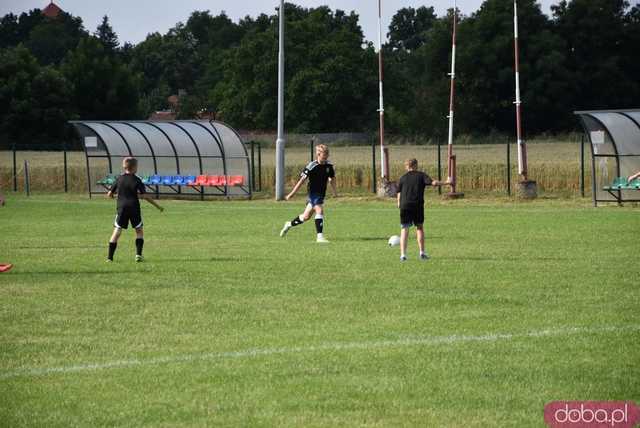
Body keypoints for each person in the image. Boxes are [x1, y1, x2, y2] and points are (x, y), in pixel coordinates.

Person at [107, 157, 163, 262]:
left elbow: (109, 194)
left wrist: (117, 198)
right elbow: (145, 196)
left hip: (122, 208)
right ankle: (138, 255)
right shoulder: (137, 180)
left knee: (117, 231)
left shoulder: (119, 179)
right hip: (134, 208)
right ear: (134, 167)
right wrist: (157, 206)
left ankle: (110, 258)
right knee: (139, 231)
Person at [280, 144, 337, 243]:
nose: (326, 156)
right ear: (318, 154)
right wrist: (292, 194)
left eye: (327, 154)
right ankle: (320, 237)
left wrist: (335, 191)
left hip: (321, 194)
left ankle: (288, 224)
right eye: (324, 154)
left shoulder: (329, 166)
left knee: (305, 217)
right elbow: (301, 181)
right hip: (313, 193)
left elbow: (332, 178)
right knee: (319, 210)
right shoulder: (311, 166)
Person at [396, 158, 449, 261]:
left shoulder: (402, 178)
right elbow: (434, 183)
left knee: (404, 229)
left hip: (405, 205)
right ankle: (422, 253)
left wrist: (398, 203)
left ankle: (403, 255)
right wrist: (446, 183)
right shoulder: (421, 175)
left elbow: (399, 192)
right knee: (419, 228)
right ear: (416, 165)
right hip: (417, 205)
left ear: (407, 167)